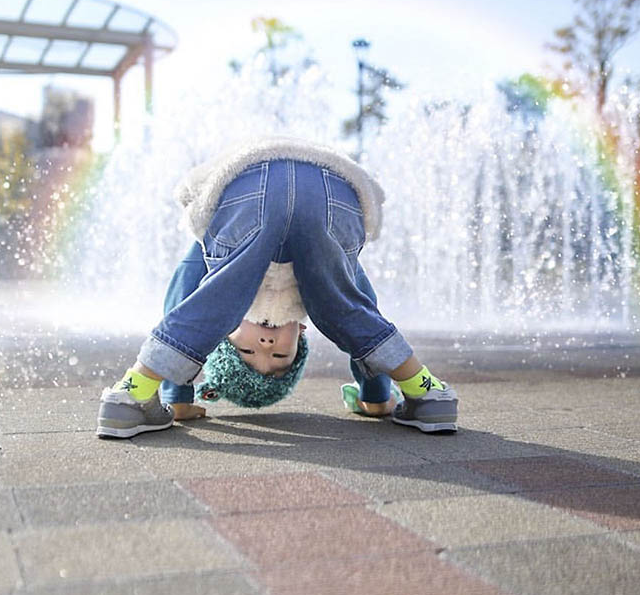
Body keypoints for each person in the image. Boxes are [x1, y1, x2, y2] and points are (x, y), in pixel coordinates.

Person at [96, 137, 458, 438]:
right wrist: (375, 394)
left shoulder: (228, 305)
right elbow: (362, 308)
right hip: (332, 189)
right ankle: (424, 392)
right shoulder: (312, 299)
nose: (266, 347)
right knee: (341, 308)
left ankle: (132, 394)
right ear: (301, 335)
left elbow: (184, 301)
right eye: (279, 357)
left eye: (248, 354)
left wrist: (178, 394)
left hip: (249, 181)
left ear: (224, 339)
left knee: (213, 301)